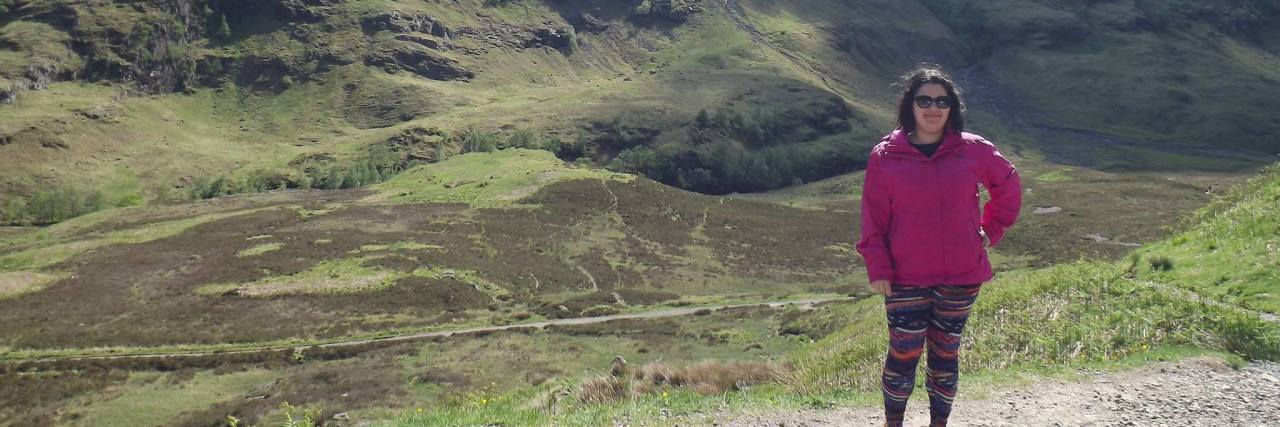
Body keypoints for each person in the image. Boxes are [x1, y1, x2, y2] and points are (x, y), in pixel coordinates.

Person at [855, 64, 1022, 427]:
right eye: (924, 100)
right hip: (904, 276)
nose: (933, 108)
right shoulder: (885, 156)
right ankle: (893, 422)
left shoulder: (973, 150)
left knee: (946, 355)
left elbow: (1007, 184)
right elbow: (874, 216)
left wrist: (990, 230)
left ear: (953, 107)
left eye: (942, 101)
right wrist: (877, 267)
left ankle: (939, 423)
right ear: (910, 105)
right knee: (903, 353)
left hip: (961, 276)